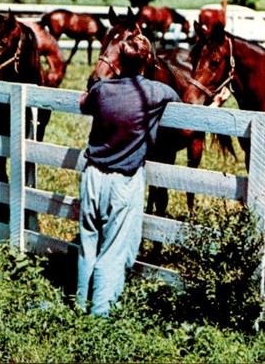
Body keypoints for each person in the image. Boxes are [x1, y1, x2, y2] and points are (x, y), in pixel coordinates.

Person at [76, 32, 181, 317]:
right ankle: (99, 317)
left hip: (92, 176)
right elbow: (180, 100)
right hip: (123, 180)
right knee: (113, 251)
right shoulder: (156, 92)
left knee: (88, 243)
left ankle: (80, 303)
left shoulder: (101, 91)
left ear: (118, 60)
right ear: (147, 61)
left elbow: (83, 102)